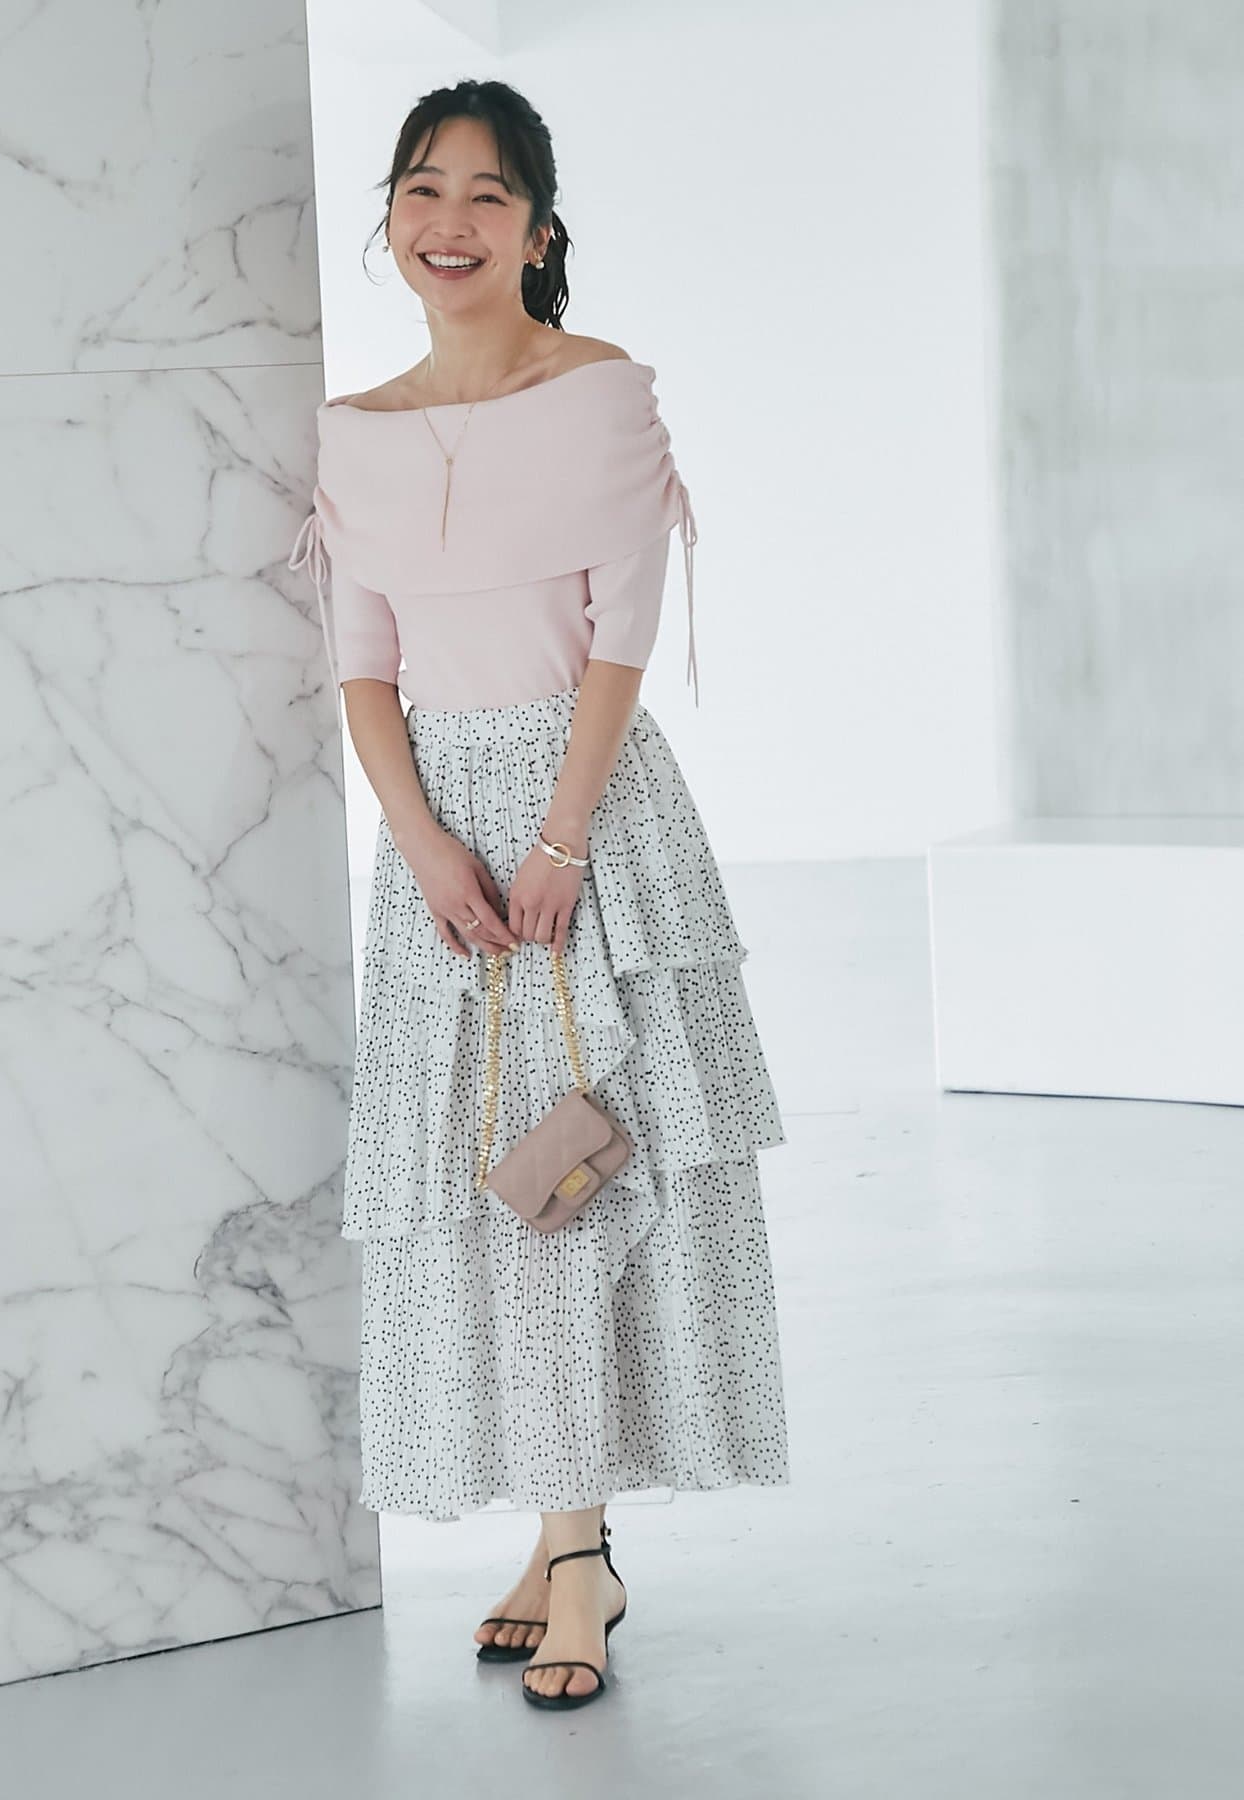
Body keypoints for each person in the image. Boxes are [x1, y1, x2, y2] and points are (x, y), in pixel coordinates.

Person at [289, 78, 789, 1712]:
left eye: (487, 196)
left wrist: (559, 840)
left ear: (540, 231)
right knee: (488, 1190)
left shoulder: (599, 393)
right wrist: (425, 842)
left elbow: (621, 638)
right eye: (422, 191)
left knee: (576, 1171)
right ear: (388, 219)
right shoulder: (357, 428)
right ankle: (562, 1537)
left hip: (591, 819)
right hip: (437, 838)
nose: (449, 222)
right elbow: (364, 663)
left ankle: (579, 1557)